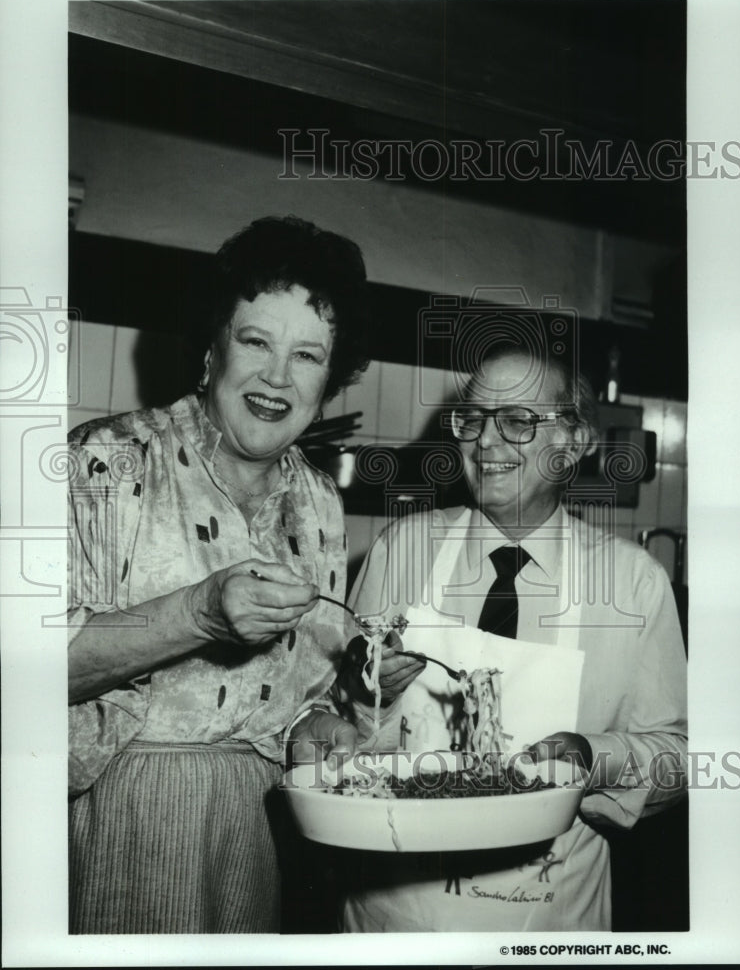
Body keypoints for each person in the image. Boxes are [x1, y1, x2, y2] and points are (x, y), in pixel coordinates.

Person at [67, 215, 373, 934]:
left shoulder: (320, 503)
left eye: (306, 355)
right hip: (122, 814)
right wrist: (199, 614)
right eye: (255, 341)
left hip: (261, 822)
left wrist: (315, 728)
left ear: (329, 379)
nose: (276, 376)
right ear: (210, 351)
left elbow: (304, 690)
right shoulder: (107, 462)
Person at [339, 341, 687, 932]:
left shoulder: (633, 583)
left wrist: (592, 758)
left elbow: (678, 755)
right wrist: (373, 694)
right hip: (393, 918)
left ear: (573, 443)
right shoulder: (402, 550)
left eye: (519, 421)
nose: (486, 441)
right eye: (473, 418)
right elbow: (331, 722)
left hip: (549, 921)